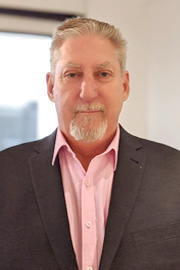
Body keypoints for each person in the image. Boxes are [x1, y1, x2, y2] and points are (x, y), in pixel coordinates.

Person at [0, 17, 180, 270]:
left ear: (125, 85)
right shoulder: (5, 174)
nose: (87, 92)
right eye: (72, 74)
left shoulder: (175, 171)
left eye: (103, 74)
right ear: (51, 87)